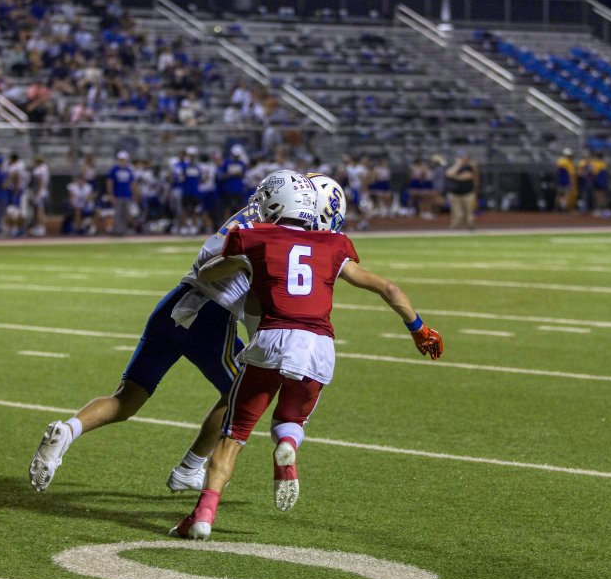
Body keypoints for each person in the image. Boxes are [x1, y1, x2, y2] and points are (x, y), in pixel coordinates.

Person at [170, 170, 443, 542]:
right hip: (319, 348)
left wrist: (240, 260)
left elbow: (208, 272)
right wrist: (418, 328)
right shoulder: (334, 243)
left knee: (233, 435)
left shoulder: (254, 236)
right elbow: (388, 287)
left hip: (271, 339)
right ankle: (287, 445)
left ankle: (203, 516)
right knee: (291, 420)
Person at [28, 199, 264, 496]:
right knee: (241, 392)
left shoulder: (249, 215)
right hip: (210, 316)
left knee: (127, 398)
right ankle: (189, 469)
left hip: (174, 303)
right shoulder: (271, 232)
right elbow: (256, 298)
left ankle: (67, 430)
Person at [445, 150, 478, 230]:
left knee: (469, 213)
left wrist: (455, 176)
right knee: (457, 214)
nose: (462, 159)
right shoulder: (452, 165)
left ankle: (471, 226)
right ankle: (453, 227)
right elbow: (448, 173)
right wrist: (458, 165)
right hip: (454, 194)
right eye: (460, 157)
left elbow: (467, 176)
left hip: (467, 193)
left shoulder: (469, 167)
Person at [555, 147, 577, 213]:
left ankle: (557, 208)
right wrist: (572, 183)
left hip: (560, 181)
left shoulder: (560, 161)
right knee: (565, 195)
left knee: (559, 195)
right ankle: (564, 208)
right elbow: (571, 174)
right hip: (566, 181)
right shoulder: (568, 162)